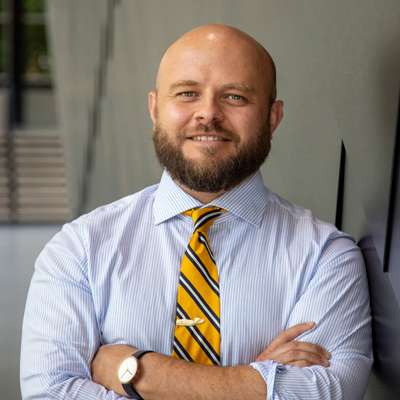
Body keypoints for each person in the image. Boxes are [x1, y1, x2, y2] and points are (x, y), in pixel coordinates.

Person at [20, 24, 372, 399]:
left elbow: (327, 394)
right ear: (155, 108)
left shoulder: (326, 257)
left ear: (273, 117)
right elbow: (50, 393)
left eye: (235, 97)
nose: (208, 114)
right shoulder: (80, 249)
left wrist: (136, 372)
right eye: (187, 93)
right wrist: (254, 381)